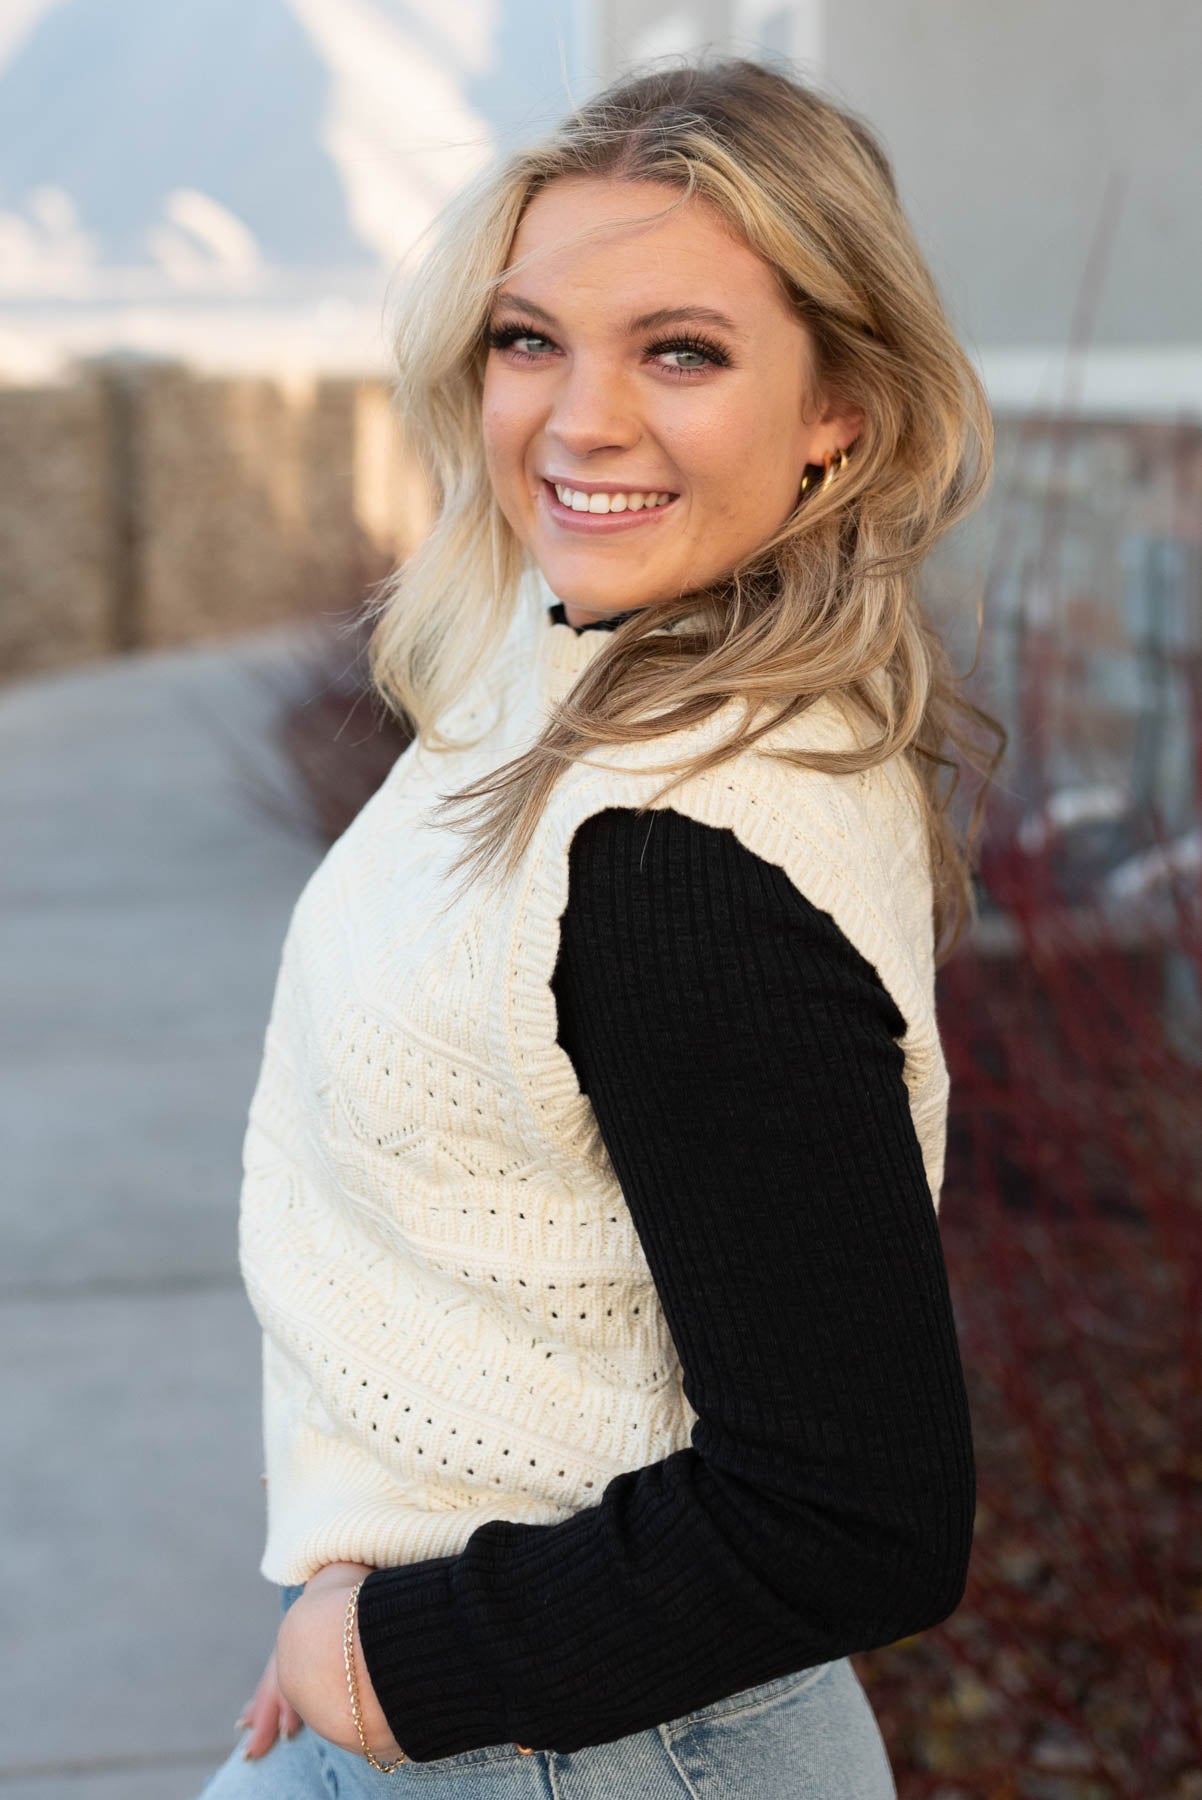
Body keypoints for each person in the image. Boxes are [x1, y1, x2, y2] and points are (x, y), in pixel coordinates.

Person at [196, 51, 1005, 1800]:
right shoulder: (588, 659)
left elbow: (854, 1512)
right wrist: (343, 1585)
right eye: (529, 338)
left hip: (593, 1750)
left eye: (683, 351)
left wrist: (388, 1658)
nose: (577, 421)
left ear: (838, 410)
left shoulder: (673, 861)